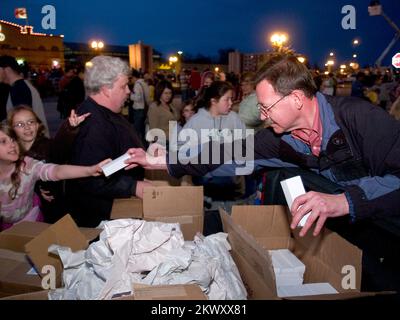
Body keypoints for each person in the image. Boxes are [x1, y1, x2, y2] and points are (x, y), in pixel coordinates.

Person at [126, 52, 400, 291]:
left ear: (295, 99)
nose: (263, 116)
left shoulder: (361, 119)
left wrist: (344, 201)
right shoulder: (279, 139)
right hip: (357, 235)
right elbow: (226, 152)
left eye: (267, 107)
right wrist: (164, 162)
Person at [66, 56, 151, 228]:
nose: (128, 91)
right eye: (123, 86)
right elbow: (91, 177)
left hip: (113, 209)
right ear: (106, 89)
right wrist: (134, 187)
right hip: (101, 218)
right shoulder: (93, 124)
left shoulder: (104, 112)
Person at [0, 123, 109, 231]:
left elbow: (56, 171)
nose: (12, 145)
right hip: (6, 226)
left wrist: (89, 170)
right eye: (3, 141)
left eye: (13, 139)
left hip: (32, 218)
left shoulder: (27, 165)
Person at [0, 55, 49, 136]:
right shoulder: (21, 86)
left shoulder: (19, 89)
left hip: (31, 142)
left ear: (6, 69)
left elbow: (22, 121)